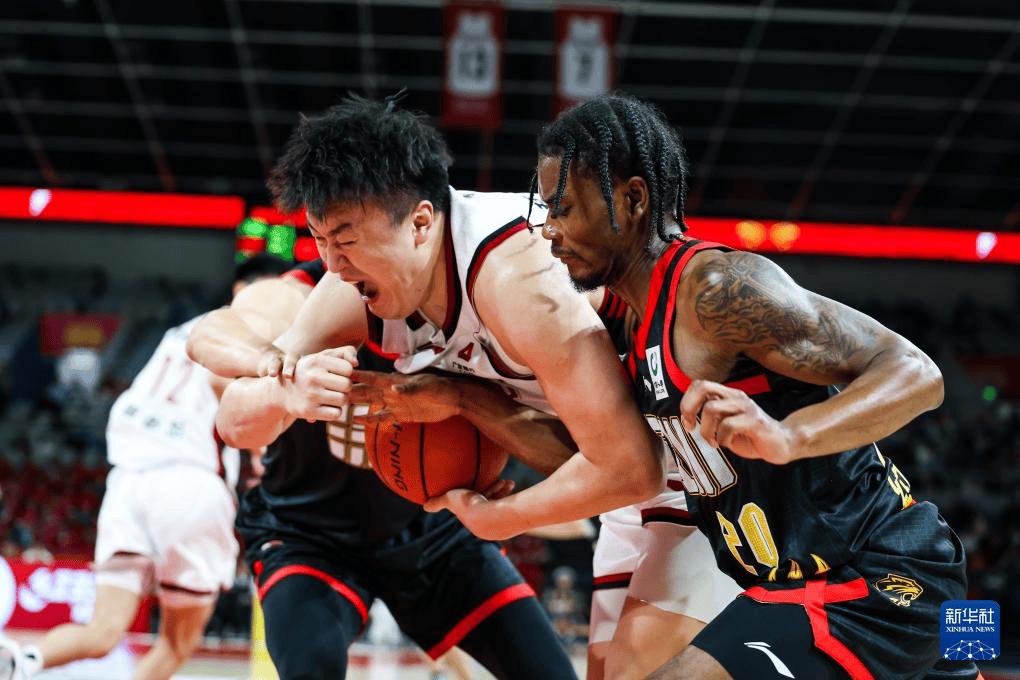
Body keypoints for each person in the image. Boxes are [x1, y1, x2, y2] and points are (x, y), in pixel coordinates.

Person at [185, 92, 742, 680]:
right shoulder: (352, 289)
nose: (334, 265)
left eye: (345, 241)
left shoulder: (517, 277)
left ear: (421, 222)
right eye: (320, 241)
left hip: (701, 468)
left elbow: (633, 466)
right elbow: (233, 415)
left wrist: (503, 517)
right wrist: (284, 391)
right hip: (621, 475)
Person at [532, 91, 981, 680]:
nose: (550, 230)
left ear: (633, 199)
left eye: (564, 208)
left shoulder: (716, 291)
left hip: (880, 578)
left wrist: (787, 435)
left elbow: (917, 373)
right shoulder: (627, 318)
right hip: (793, 584)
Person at [193, 258, 581, 680]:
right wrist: (277, 373)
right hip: (309, 535)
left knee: (551, 675)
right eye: (330, 237)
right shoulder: (300, 297)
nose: (341, 251)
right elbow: (207, 340)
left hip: (433, 534)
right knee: (310, 670)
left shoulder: (472, 292)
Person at [0, 254, 291, 680]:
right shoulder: (256, 332)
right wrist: (264, 451)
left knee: (102, 631)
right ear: (246, 293)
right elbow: (230, 392)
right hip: (189, 480)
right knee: (177, 643)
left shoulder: (181, 332)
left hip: (128, 481)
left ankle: (21, 662)